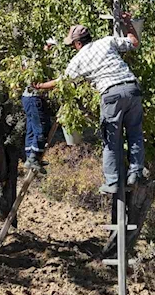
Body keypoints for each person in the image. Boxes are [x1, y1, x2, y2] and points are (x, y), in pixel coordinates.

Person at [34, 13, 144, 194]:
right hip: (132, 88)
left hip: (110, 94)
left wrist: (41, 86)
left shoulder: (78, 60)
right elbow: (133, 42)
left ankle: (113, 182)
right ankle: (135, 173)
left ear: (78, 43)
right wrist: (127, 23)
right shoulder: (106, 41)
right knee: (135, 134)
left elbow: (62, 81)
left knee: (111, 140)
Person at [21, 38, 56, 174]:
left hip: (28, 97)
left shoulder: (32, 60)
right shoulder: (38, 63)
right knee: (41, 128)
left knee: (31, 128)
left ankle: (31, 156)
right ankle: (34, 157)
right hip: (34, 97)